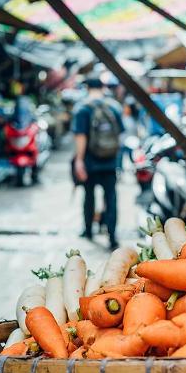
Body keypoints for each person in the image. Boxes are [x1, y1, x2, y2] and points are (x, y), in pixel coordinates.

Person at [72, 74, 124, 250]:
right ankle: (112, 236)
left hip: (90, 163)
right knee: (111, 199)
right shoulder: (114, 107)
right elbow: (120, 136)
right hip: (110, 162)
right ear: (103, 88)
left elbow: (80, 136)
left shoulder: (82, 109)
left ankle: (88, 230)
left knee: (89, 197)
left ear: (87, 88)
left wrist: (79, 160)